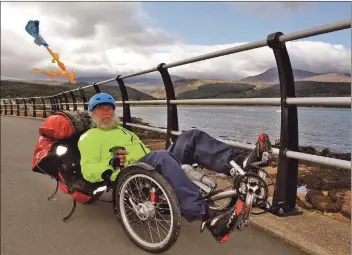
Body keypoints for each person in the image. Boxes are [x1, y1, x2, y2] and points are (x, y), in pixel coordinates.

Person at [77, 92, 272, 243]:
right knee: (162, 156)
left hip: (152, 164)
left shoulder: (125, 132)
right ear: (92, 113)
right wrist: (109, 164)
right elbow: (87, 170)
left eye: (109, 109)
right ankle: (206, 216)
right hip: (132, 175)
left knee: (191, 137)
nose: (105, 113)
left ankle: (239, 166)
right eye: (100, 109)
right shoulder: (89, 138)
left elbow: (147, 151)